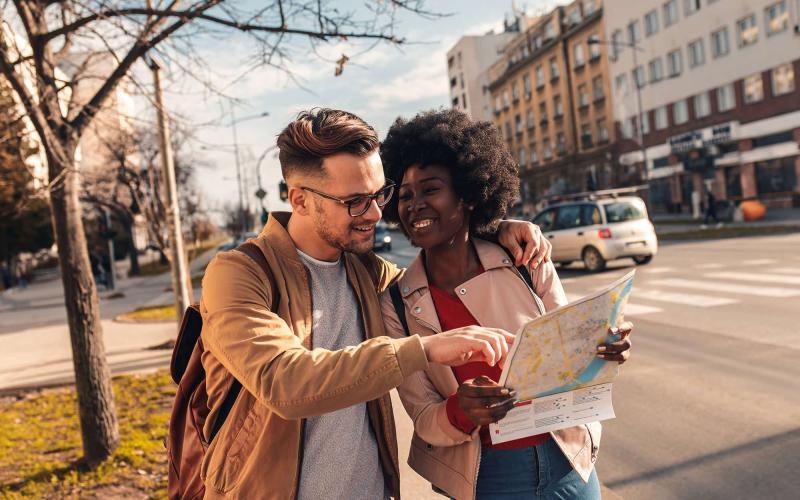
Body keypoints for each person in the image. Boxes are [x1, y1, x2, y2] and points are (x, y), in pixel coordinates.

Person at [199, 108, 554, 499]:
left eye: (378, 194)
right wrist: (425, 349)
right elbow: (285, 382)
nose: (375, 213)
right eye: (354, 201)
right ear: (299, 200)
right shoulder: (237, 274)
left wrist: (495, 228)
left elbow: (443, 259)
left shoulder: (370, 273)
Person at [379, 109, 633, 500]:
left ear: (466, 195)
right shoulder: (396, 303)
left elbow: (573, 356)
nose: (415, 205)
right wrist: (460, 410)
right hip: (487, 478)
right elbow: (423, 416)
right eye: (406, 195)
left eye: (430, 189)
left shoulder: (525, 259)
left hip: (567, 457)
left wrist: (604, 347)